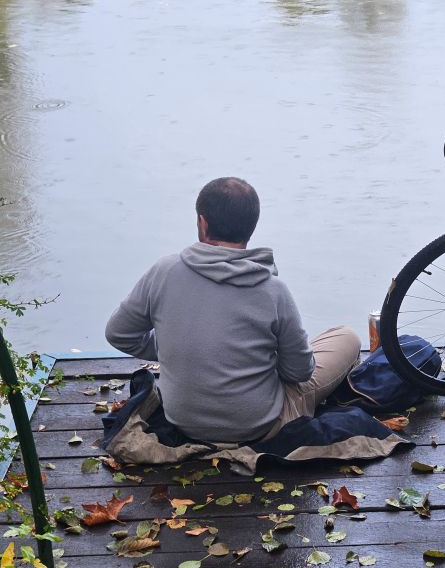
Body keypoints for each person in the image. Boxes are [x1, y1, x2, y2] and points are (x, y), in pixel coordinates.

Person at [105, 177, 361, 444]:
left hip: (184, 423)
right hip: (260, 426)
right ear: (251, 227)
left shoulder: (163, 272)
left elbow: (119, 334)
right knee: (348, 337)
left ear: (202, 223)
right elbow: (298, 373)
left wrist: (178, 348)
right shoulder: (274, 290)